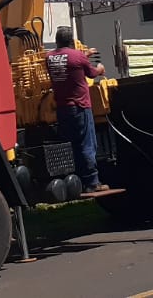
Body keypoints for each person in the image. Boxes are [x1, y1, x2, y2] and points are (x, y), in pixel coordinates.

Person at [45, 26, 108, 192]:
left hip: (62, 109)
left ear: (57, 41)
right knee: (87, 144)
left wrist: (83, 56)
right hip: (80, 107)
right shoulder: (78, 56)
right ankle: (93, 182)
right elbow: (92, 74)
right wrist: (100, 69)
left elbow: (67, 63)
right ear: (71, 41)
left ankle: (78, 182)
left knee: (71, 145)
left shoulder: (49, 57)